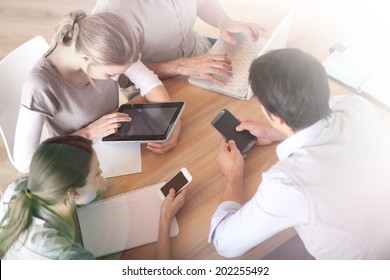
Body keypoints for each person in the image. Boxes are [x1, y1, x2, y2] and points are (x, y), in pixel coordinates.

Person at [208, 48, 390, 259]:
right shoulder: (356, 106)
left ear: (277, 117)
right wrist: (279, 132)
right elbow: (325, 116)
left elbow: (224, 243)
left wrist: (233, 175)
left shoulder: (286, 183)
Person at [13, 10, 181, 173]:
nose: (117, 79)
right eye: (110, 74)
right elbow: (25, 162)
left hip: (113, 142)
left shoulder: (101, 43)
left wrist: (172, 124)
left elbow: (147, 80)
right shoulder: (40, 84)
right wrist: (89, 132)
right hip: (78, 158)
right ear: (87, 59)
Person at [0, 135, 187, 259]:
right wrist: (164, 219)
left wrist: (94, 183)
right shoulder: (66, 256)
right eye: (97, 173)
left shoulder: (21, 187)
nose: (102, 173)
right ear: (73, 193)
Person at [92, 0, 263, 85]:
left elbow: (201, 3)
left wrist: (224, 21)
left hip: (202, 53)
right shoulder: (113, 11)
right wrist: (181, 67)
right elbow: (121, 75)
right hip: (157, 84)